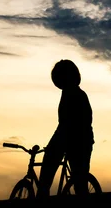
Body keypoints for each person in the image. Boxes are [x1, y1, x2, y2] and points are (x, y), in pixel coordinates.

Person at [37, 59, 95, 198]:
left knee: (79, 182)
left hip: (78, 140)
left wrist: (57, 142)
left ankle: (42, 194)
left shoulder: (76, 95)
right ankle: (43, 193)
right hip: (75, 138)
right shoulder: (71, 93)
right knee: (77, 180)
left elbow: (69, 123)